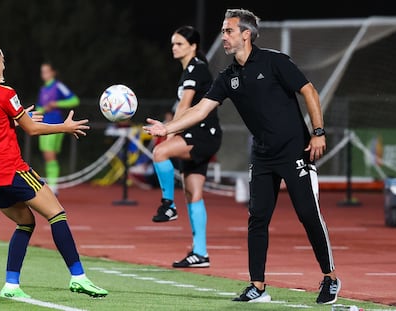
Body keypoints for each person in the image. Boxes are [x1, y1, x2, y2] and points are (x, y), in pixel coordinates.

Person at [144, 9, 340, 304]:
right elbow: (200, 110)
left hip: (295, 151)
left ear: (246, 35)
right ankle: (257, 286)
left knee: (307, 214)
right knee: (257, 219)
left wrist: (318, 132)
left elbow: (309, 92)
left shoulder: (274, 61)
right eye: (223, 31)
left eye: (228, 31)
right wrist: (167, 127)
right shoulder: (228, 76)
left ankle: (330, 278)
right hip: (262, 156)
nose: (224, 36)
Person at [0, 40, 107, 298]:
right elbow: (33, 129)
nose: (4, 66)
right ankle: (78, 277)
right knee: (56, 214)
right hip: (10, 170)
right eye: (2, 62)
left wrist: (13, 122)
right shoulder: (5, 93)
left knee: (25, 222)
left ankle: (11, 285)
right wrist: (65, 126)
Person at [151, 25, 222, 268]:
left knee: (160, 152)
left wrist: (169, 132)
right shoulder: (189, 70)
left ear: (193, 46)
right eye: (173, 43)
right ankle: (200, 253)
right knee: (193, 192)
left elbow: (185, 107)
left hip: (202, 134)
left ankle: (168, 205)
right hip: (201, 134)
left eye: (180, 43)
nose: (174, 47)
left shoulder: (196, 68)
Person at [36, 62, 80, 195]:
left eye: (47, 71)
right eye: (42, 72)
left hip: (56, 125)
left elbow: (74, 100)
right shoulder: (43, 90)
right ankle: (52, 184)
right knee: (48, 155)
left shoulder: (58, 86)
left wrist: (56, 103)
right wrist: (45, 108)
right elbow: (39, 108)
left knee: (50, 155)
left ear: (53, 72)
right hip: (43, 126)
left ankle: (53, 186)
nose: (44, 74)